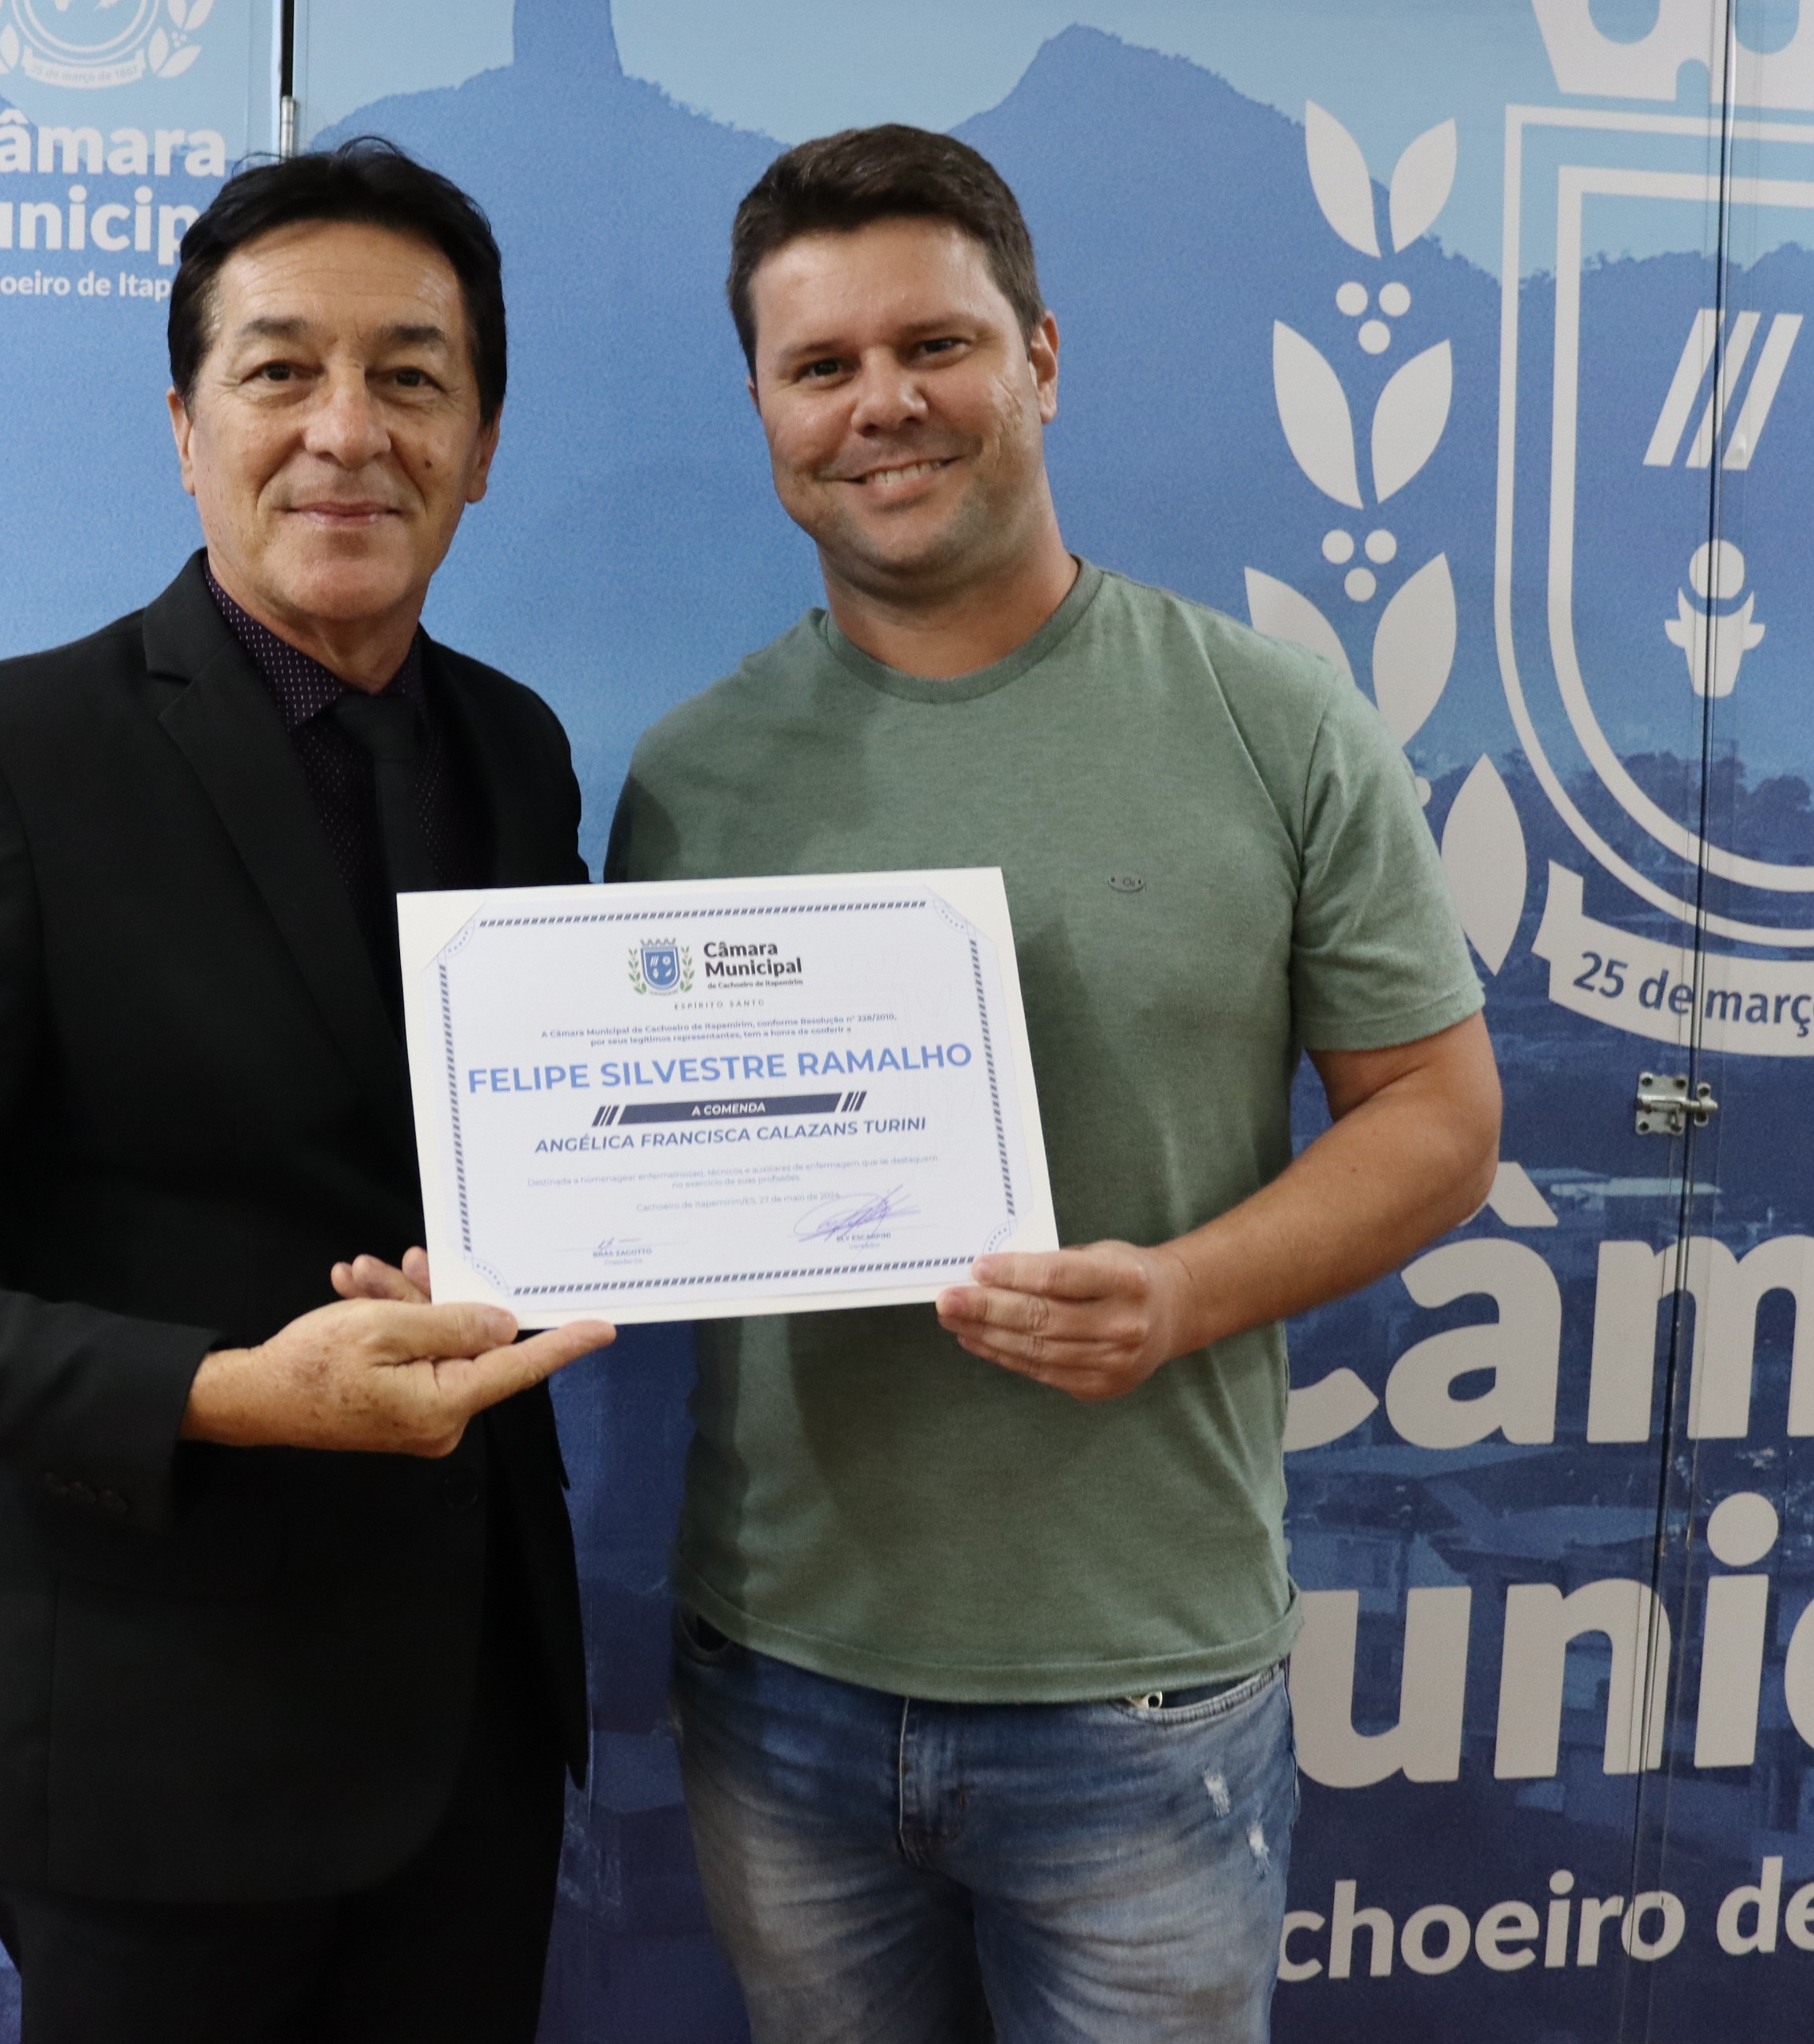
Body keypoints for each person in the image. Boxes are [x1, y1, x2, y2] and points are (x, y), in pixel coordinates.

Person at [606, 126, 1502, 2042]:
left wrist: (1179, 1293)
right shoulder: (689, 776)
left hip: (1140, 1687)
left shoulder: (1272, 722)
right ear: (764, 412)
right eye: (820, 365)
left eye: (933, 344)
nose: (881, 405)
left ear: (1040, 360)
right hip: (779, 1670)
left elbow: (1439, 1119)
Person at [0, 139, 614, 2044]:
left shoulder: (517, 746)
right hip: (152, 1752)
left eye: (410, 377)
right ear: (187, 429)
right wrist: (230, 1392)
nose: (346, 431)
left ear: (480, 444)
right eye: (281, 371)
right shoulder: (5, 753)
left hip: (474, 1728)